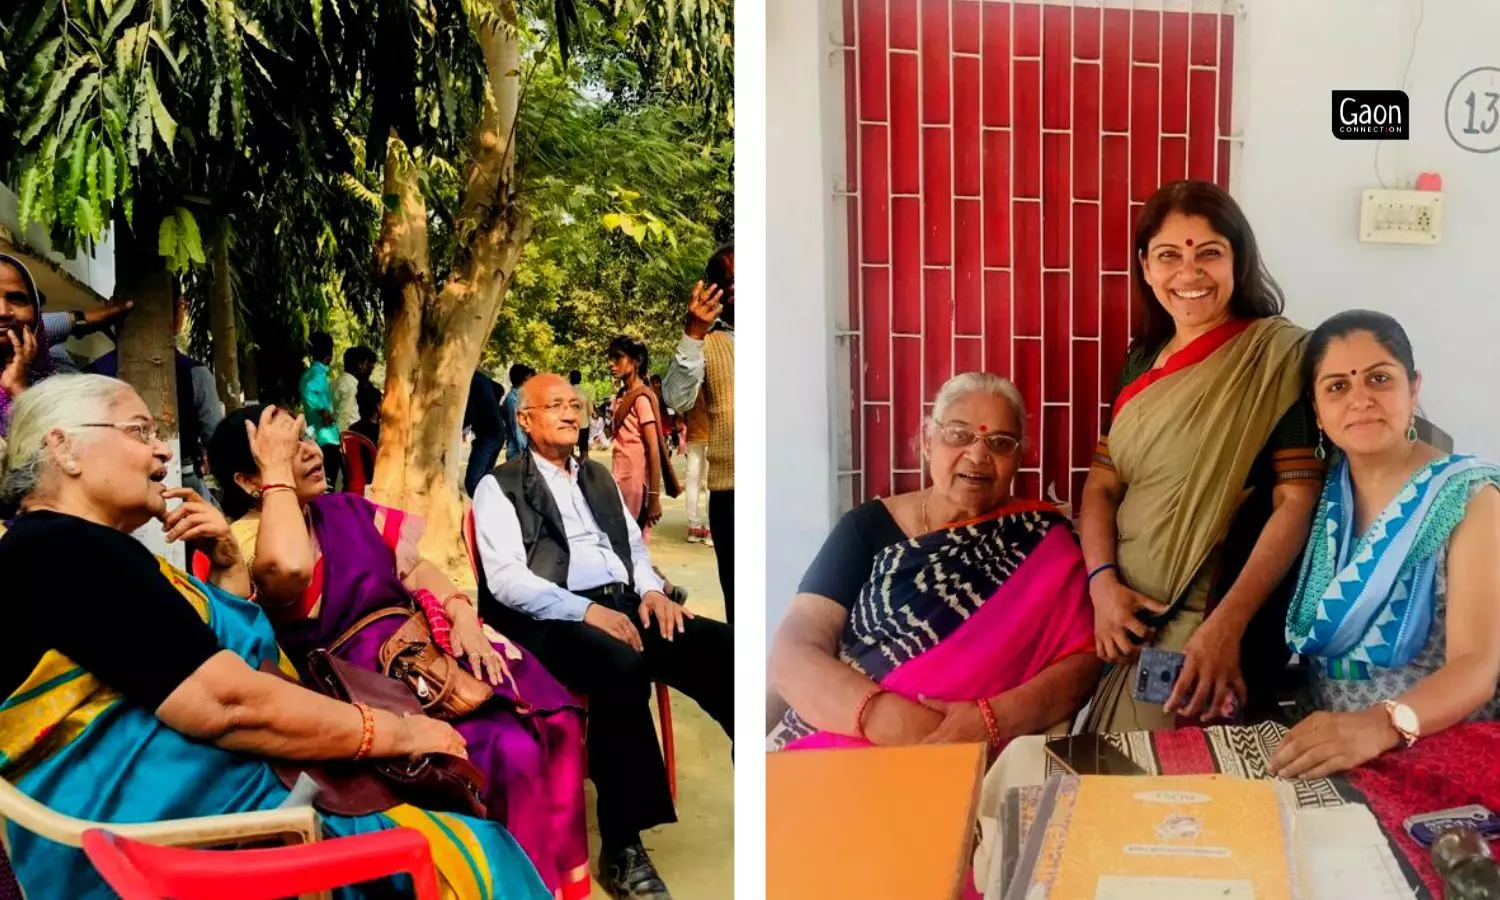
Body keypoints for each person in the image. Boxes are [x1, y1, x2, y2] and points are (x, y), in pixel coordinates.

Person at [0, 374, 550, 900]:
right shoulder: (66, 552)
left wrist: (225, 567)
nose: (162, 452)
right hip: (179, 841)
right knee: (474, 852)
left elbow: (208, 659)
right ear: (64, 448)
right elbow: (229, 701)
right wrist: (399, 733)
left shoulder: (69, 547)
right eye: (138, 431)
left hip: (209, 807)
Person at [207, 404, 592, 900]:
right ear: (246, 479)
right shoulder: (248, 543)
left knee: (551, 713)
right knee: (509, 748)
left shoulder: (345, 510)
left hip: (422, 656)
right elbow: (289, 573)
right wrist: (277, 480)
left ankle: (557, 883)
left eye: (305, 439)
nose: (311, 453)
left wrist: (459, 615)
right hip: (362, 691)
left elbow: (418, 571)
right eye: (286, 450)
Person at [472, 372, 734, 900]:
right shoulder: (496, 487)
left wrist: (652, 590)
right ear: (525, 419)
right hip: (550, 621)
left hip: (625, 603)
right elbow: (506, 582)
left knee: (724, 648)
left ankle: (767, 771)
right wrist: (586, 610)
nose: (571, 413)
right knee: (620, 664)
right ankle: (622, 844)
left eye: (576, 404)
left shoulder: (598, 477)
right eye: (556, 406)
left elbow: (630, 549)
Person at [1078, 180, 1321, 732]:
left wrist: (1226, 627)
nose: (1189, 274)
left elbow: (1296, 500)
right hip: (1117, 614)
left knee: (1167, 788)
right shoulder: (1141, 360)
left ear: (1239, 259)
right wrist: (1101, 585)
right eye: (1169, 255)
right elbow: (1101, 485)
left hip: (1205, 613)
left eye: (1209, 253)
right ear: (1145, 266)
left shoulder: (1277, 358)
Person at [768, 372, 1099, 752]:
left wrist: (989, 720)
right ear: (928, 441)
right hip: (840, 747)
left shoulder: (1042, 541)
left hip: (979, 761)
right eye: (959, 435)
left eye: (1000, 443)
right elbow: (795, 649)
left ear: (1019, 457)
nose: (977, 455)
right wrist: (889, 719)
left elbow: (1083, 664)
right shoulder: (866, 528)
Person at [1268, 312, 1500, 779]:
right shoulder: (1317, 499)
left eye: (1379, 379)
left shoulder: (1472, 500)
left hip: (1442, 760)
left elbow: (1477, 665)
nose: (1360, 400)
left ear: (1413, 389)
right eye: (1337, 386)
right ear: (1316, 409)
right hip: (1330, 755)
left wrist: (1382, 724)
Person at [86, 290, 223, 501]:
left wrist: (83, 319)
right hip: (184, 484)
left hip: (103, 486)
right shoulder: (195, 374)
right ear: (178, 309)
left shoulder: (91, 375)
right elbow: (218, 442)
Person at [662, 246, 735, 622]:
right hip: (732, 495)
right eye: (728, 282)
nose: (737, 288)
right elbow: (676, 396)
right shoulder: (708, 346)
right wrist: (692, 333)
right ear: (712, 292)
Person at [607, 336, 667, 540]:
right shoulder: (622, 395)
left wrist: (654, 497)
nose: (611, 363)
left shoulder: (642, 398)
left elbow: (654, 449)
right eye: (610, 358)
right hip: (619, 478)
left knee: (634, 542)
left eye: (618, 358)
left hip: (636, 482)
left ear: (637, 361)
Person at [0, 253, 56, 439]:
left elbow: (57, 457)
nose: (3, 312)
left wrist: (18, 389)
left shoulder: (58, 383)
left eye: (17, 299)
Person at [298, 331, 343, 492]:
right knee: (328, 485)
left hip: (317, 435)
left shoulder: (309, 374)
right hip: (326, 438)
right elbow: (309, 393)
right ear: (329, 356)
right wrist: (322, 411)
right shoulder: (317, 374)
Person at [465, 369, 509, 497]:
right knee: (483, 478)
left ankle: (484, 508)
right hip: (496, 431)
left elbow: (469, 412)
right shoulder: (480, 377)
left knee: (473, 482)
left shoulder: (472, 379)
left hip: (489, 433)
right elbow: (499, 389)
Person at [683, 390, 711, 545]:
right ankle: (711, 527)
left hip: (694, 429)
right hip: (714, 430)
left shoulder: (691, 370)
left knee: (692, 479)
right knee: (711, 481)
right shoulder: (717, 368)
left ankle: (694, 526)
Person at [334, 346, 372, 434]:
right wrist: (341, 437)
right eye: (364, 364)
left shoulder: (334, 383)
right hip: (349, 434)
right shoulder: (351, 386)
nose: (365, 368)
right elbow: (344, 415)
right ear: (359, 364)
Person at [503, 364, 533, 461]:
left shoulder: (522, 397)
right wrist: (523, 449)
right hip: (517, 450)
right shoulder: (512, 399)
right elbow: (515, 426)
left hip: (524, 448)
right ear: (526, 378)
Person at [569, 370, 592, 461]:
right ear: (580, 379)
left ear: (570, 379)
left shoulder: (566, 394)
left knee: (569, 451)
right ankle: (585, 469)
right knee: (584, 450)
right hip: (584, 425)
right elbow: (590, 411)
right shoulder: (585, 393)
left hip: (570, 425)